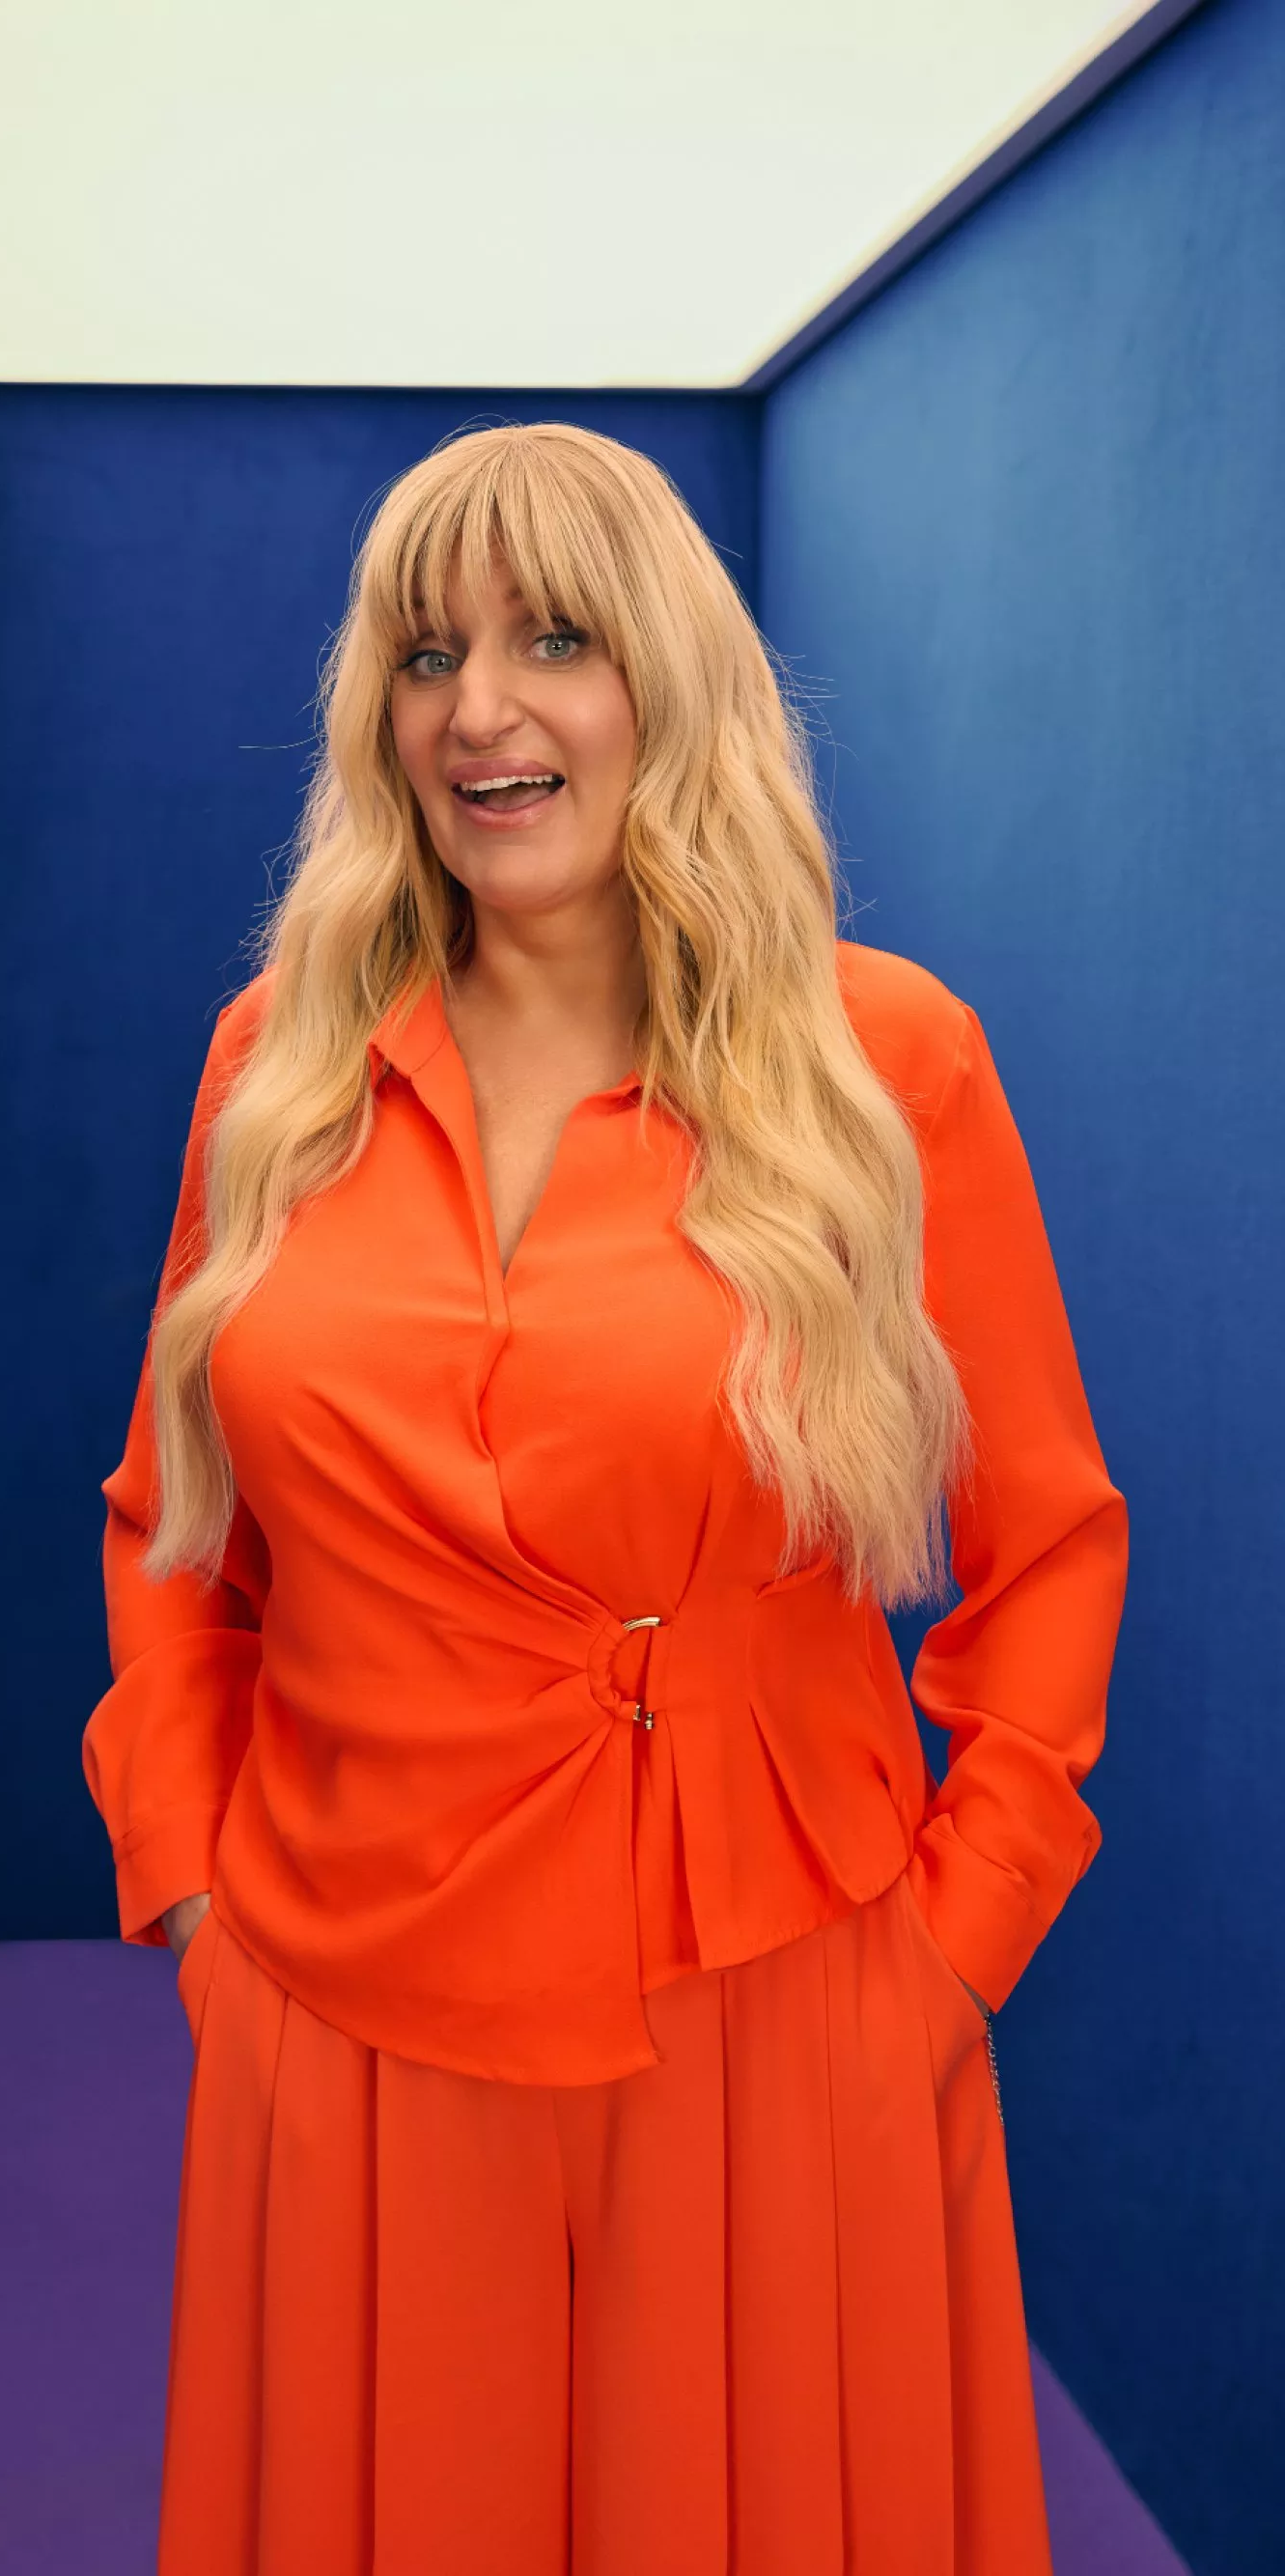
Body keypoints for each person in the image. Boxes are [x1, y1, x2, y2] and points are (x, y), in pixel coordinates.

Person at [82, 419, 1128, 2576]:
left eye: (555, 639)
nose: (481, 708)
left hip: (775, 2021)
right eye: (426, 653)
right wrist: (190, 1892)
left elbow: (1047, 1547)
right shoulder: (274, 1065)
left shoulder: (886, 1065)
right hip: (338, 2020)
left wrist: (950, 1958)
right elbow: (172, 1534)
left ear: (673, 676)